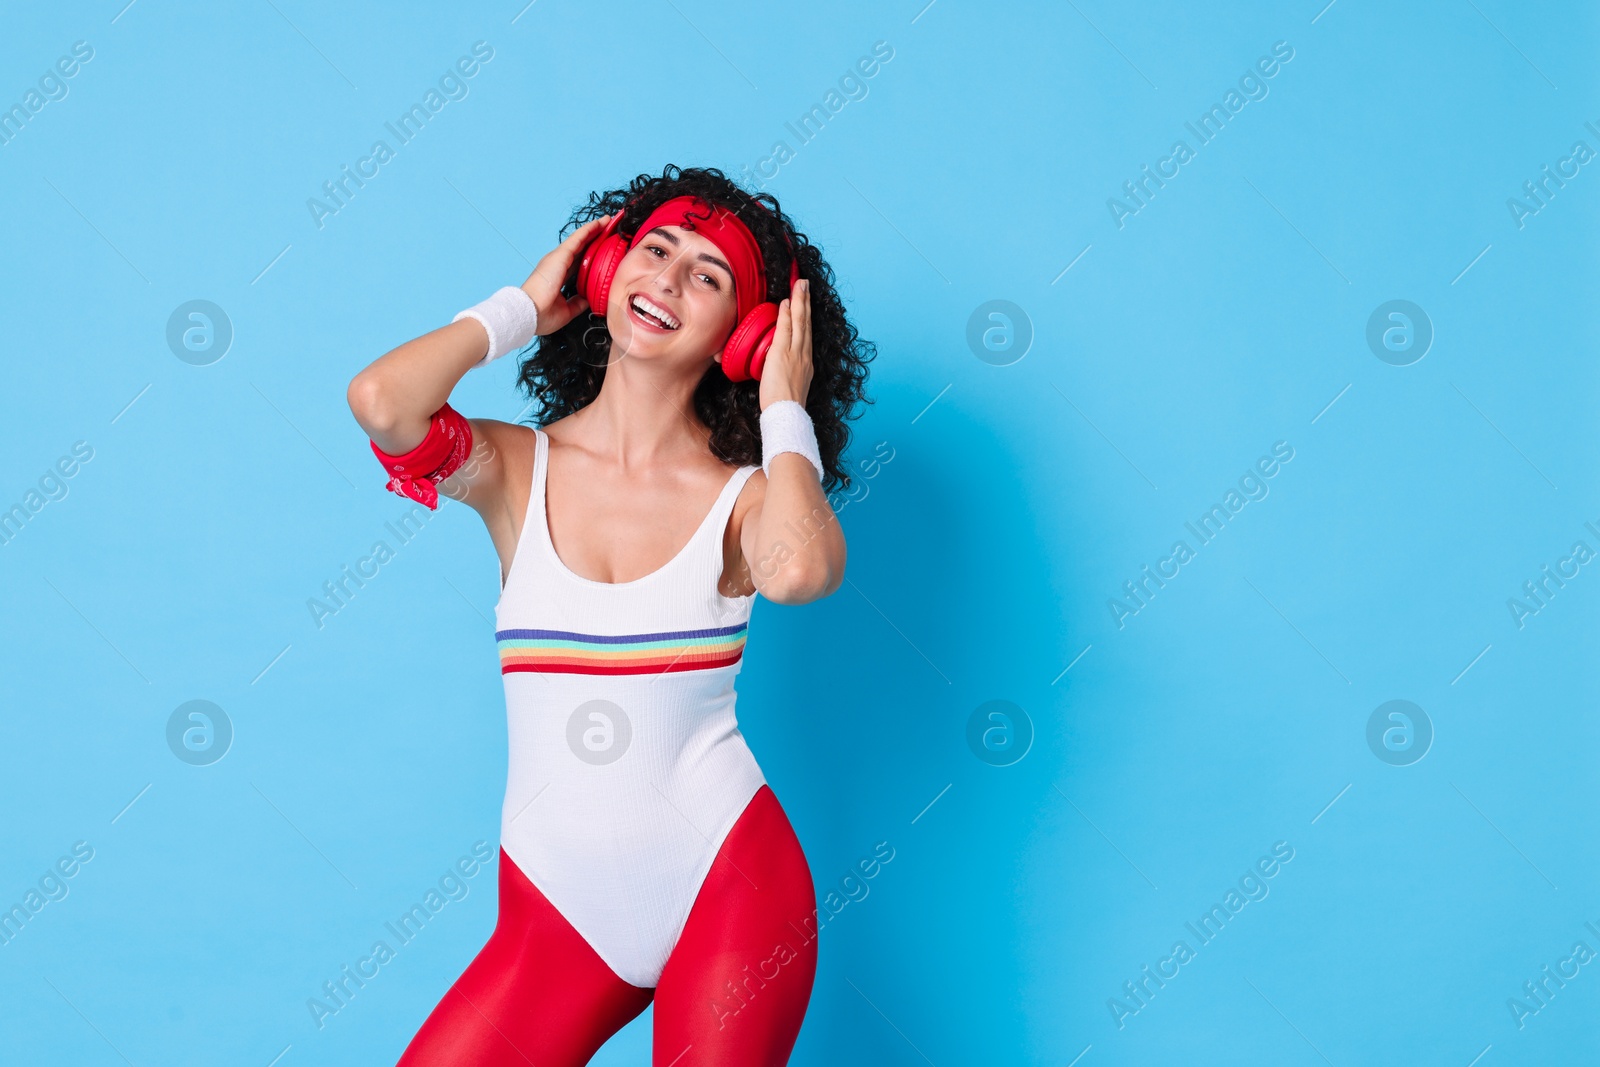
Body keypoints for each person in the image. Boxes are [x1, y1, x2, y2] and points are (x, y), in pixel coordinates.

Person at [346, 164, 875, 1065]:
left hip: (732, 885)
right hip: (556, 916)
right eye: (656, 249)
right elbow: (384, 405)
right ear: (602, 271)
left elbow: (801, 572)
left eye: (707, 276)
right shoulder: (517, 470)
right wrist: (518, 306)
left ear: (741, 336)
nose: (667, 280)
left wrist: (784, 399)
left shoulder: (743, 501)